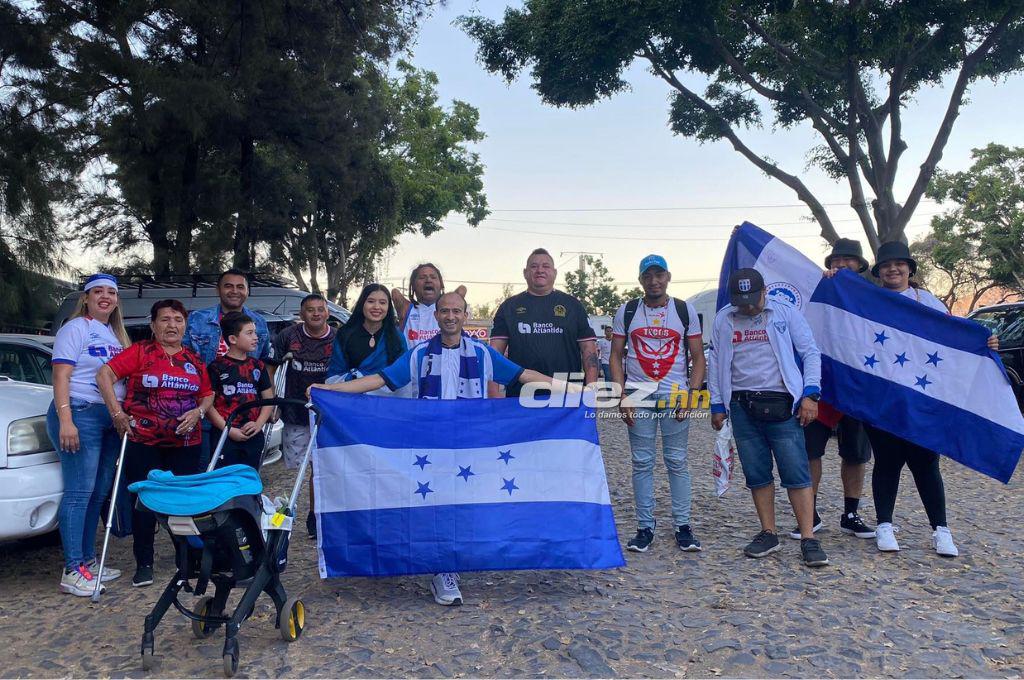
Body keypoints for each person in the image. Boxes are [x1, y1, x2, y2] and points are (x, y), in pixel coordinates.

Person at [312, 292, 572, 606]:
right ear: (436, 316)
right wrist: (330, 390)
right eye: (445, 311)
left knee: (464, 503)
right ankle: (443, 571)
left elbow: (524, 375)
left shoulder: (483, 353)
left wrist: (573, 389)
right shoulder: (419, 353)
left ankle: (458, 559)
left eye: (456, 311)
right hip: (430, 445)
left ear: (466, 315)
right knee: (437, 505)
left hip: (469, 444)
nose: (450, 316)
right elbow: (378, 380)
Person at [862, 242, 995, 557]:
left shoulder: (929, 301)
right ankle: (883, 525)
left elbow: (954, 335)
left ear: (910, 268)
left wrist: (983, 341)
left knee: (925, 464)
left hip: (923, 396)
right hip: (883, 396)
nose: (893, 269)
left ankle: (941, 530)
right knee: (887, 461)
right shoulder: (868, 301)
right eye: (886, 265)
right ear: (878, 271)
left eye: (899, 264)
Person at [708, 268, 829, 567]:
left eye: (752, 299)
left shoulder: (785, 313)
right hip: (741, 403)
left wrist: (811, 394)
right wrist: (717, 404)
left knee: (796, 472)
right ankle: (768, 532)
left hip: (782, 402)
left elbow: (810, 353)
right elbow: (716, 360)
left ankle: (808, 538)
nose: (747, 307)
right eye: (742, 301)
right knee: (757, 473)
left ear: (765, 292)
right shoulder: (724, 318)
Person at [97, 299, 214, 587]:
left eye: (177, 319)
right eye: (165, 319)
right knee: (144, 501)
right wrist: (117, 413)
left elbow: (208, 394)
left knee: (182, 502)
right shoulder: (140, 352)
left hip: (186, 442)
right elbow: (105, 375)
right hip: (143, 440)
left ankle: (186, 560)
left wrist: (198, 411)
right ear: (153, 325)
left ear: (185, 325)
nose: (172, 325)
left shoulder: (194, 360)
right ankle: (144, 563)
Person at [610, 255, 706, 553]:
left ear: (668, 277)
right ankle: (644, 527)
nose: (654, 281)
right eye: (648, 275)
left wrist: (692, 393)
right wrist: (620, 395)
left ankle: (683, 526)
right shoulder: (626, 311)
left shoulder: (683, 309)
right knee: (642, 461)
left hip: (675, 392)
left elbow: (698, 357)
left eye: (659, 275)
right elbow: (615, 355)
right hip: (638, 393)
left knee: (677, 460)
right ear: (640, 280)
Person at [46, 273, 131, 596]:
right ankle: (72, 569)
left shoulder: (113, 334)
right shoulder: (75, 328)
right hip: (80, 412)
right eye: (99, 292)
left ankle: (87, 561)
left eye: (111, 292)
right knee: (79, 491)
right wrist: (66, 419)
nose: (105, 297)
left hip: (109, 417)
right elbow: (61, 376)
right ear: (86, 297)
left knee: (98, 493)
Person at [787, 238, 876, 541]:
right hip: (820, 386)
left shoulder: (873, 295)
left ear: (860, 265)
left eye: (848, 260)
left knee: (856, 454)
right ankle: (808, 514)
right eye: (836, 260)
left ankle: (851, 513)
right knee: (810, 451)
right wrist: (818, 282)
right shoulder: (818, 288)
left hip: (856, 387)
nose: (841, 265)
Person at [184, 269, 270, 467]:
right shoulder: (197, 319)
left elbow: (266, 364)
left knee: (246, 473)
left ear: (248, 291)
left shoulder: (259, 323)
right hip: (205, 410)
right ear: (218, 290)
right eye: (228, 286)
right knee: (208, 468)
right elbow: (184, 360)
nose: (234, 291)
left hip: (246, 414)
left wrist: (269, 406)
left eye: (240, 287)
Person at [271, 293, 338, 539]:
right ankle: (281, 513)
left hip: (327, 413)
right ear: (302, 314)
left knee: (318, 467)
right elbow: (272, 366)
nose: (316, 314)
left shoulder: (337, 339)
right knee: (298, 468)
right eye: (311, 310)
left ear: (328, 312)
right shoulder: (288, 336)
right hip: (295, 410)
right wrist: (272, 402)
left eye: (321, 309)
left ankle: (315, 515)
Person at [490, 248, 598, 399]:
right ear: (525, 272)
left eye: (545, 266)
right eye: (534, 266)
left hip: (567, 396)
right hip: (520, 396)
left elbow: (588, 349)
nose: (540, 270)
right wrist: (493, 397)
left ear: (554, 272)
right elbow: (494, 355)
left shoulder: (573, 305)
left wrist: (591, 389)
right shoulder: (509, 307)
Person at [206, 312, 274, 469]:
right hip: (224, 435)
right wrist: (228, 430)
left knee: (250, 479)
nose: (255, 337)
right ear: (233, 339)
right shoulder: (216, 367)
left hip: (253, 433)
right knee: (225, 481)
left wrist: (258, 424)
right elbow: (208, 404)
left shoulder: (258, 366)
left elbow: (268, 399)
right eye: (249, 333)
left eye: (255, 332)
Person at [391, 263, 468, 346]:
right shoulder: (406, 309)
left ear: (441, 284)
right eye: (422, 277)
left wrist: (445, 300)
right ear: (413, 285)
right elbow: (395, 293)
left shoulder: (449, 309)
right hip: (412, 358)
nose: (428, 280)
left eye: (433, 277)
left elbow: (462, 289)